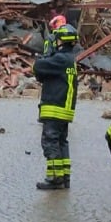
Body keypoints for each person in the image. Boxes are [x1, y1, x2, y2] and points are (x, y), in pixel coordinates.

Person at [32, 23, 79, 190]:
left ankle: (55, 178)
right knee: (61, 142)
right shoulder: (69, 60)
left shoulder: (60, 59)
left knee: (50, 142)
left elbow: (37, 67)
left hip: (55, 108)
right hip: (64, 110)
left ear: (61, 41)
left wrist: (45, 54)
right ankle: (64, 177)